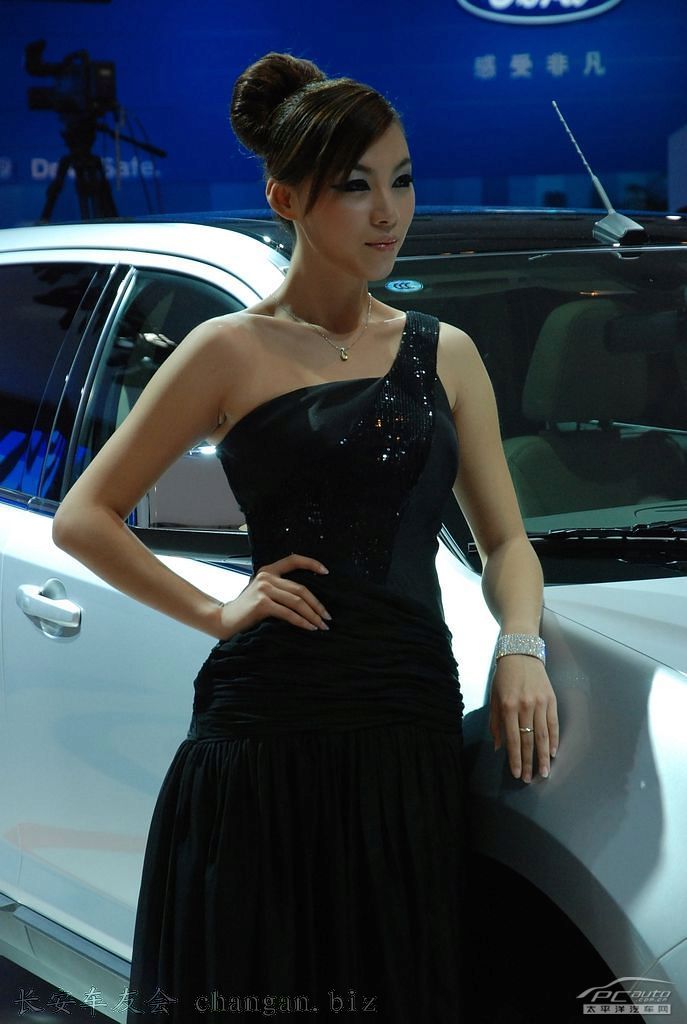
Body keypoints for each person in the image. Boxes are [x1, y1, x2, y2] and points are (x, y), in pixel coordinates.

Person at [53, 51, 558, 1022]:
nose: (388, 212)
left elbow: (506, 543)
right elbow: (85, 516)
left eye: (401, 180)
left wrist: (521, 646)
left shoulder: (445, 353)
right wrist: (214, 610)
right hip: (267, 737)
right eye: (355, 187)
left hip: (406, 731)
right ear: (285, 199)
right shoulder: (227, 349)